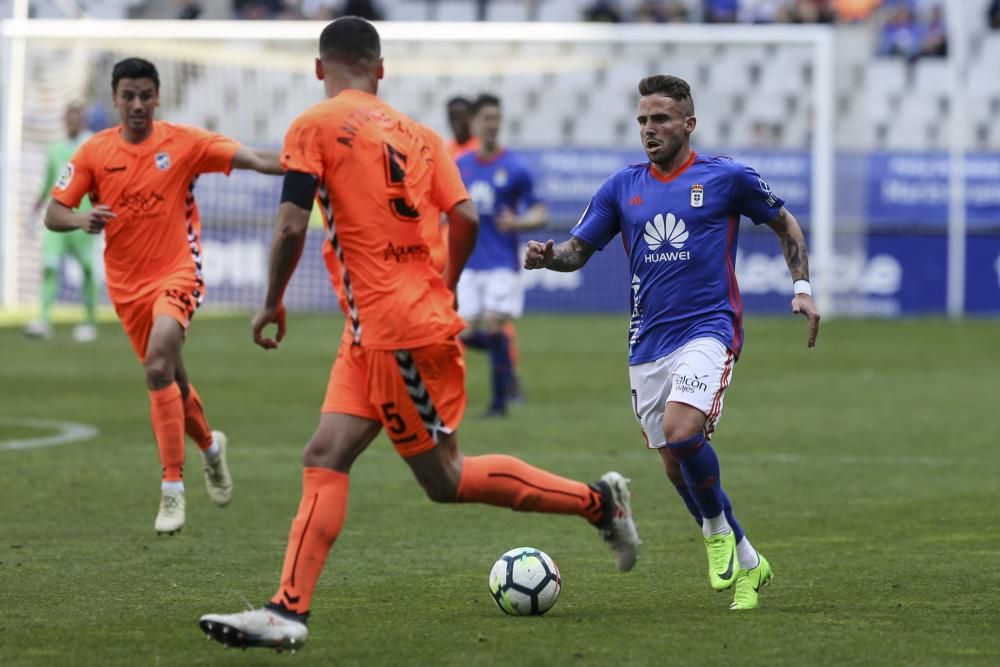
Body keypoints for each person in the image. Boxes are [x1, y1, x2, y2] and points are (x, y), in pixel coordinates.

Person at [198, 16, 639, 652]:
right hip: (374, 330)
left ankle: (598, 503)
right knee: (324, 454)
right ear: (380, 70)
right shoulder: (424, 136)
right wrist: (445, 282)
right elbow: (463, 215)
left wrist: (271, 302)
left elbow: (293, 225)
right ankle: (285, 610)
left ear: (321, 69)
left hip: (396, 333)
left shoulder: (313, 126)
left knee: (446, 480)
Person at [524, 74, 821, 611]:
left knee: (685, 433)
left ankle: (714, 533)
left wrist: (801, 288)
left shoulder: (727, 177)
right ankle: (750, 560)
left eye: (660, 119)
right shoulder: (621, 186)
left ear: (688, 123)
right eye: (642, 120)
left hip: (710, 329)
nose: (649, 129)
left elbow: (785, 225)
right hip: (647, 343)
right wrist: (550, 256)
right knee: (672, 462)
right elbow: (577, 250)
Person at [46, 57, 284, 535]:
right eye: (128, 96)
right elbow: (55, 211)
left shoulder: (184, 143)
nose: (137, 104)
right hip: (127, 287)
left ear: (158, 97)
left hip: (179, 273)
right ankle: (211, 451)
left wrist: (313, 164)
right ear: (114, 100)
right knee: (171, 381)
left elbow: (257, 159)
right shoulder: (94, 153)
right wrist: (80, 220)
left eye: (145, 95)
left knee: (158, 366)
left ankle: (172, 489)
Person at [455, 94, 546, 416]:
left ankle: (498, 404)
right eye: (486, 118)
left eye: (496, 118)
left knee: (494, 326)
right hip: (468, 263)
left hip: (501, 263)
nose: (492, 124)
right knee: (461, 333)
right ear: (475, 123)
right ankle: (506, 365)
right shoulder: (460, 166)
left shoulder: (516, 167)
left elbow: (540, 213)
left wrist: (518, 221)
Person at [24, 103, 99, 342]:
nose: (73, 122)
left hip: (83, 219)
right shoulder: (55, 149)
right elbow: (49, 182)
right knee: (50, 267)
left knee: (88, 269)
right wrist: (35, 209)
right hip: (56, 218)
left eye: (77, 118)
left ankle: (89, 321)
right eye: (69, 118)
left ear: (83, 120)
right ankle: (43, 319)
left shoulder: (92, 146)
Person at [444, 95, 479, 160]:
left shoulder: (480, 149)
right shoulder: (445, 151)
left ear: (470, 118)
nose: (455, 123)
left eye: (460, 118)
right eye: (452, 118)